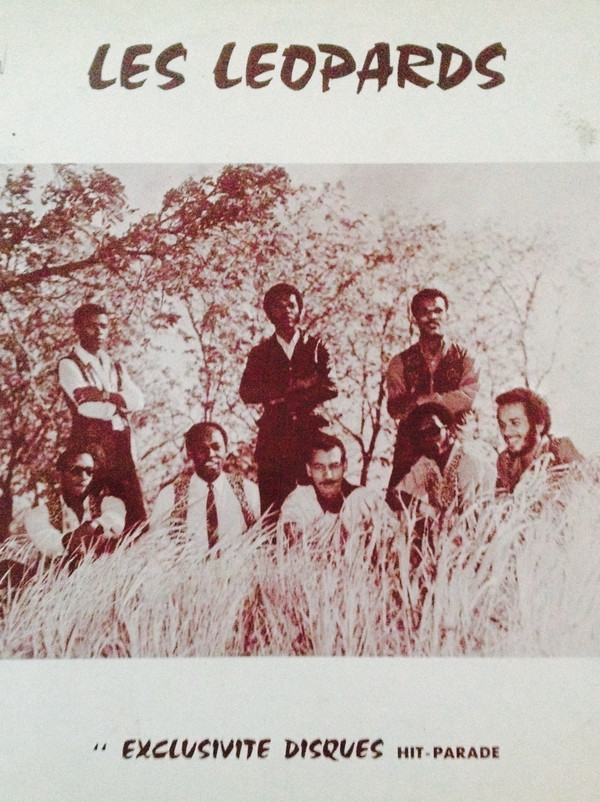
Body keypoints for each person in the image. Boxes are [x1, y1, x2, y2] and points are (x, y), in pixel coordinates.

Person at [239, 283, 338, 515]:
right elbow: (247, 392)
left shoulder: (316, 346)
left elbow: (331, 386)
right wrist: (295, 385)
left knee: (320, 503)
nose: (286, 311)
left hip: (312, 433)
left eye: (291, 306)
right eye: (279, 306)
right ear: (269, 312)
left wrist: (287, 397)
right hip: (274, 437)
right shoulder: (260, 353)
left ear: (300, 310)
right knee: (274, 508)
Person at [386, 288, 479, 506]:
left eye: (438, 311)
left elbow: (467, 397)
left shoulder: (465, 357)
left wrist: (426, 401)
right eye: (425, 312)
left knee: (466, 502)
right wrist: (417, 406)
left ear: (447, 314)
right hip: (412, 444)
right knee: (399, 503)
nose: (432, 317)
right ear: (414, 318)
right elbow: (395, 407)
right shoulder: (399, 362)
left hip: (456, 438)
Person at [58, 302, 146, 530]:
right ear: (77, 328)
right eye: (91, 326)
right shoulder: (69, 364)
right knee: (95, 516)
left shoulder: (115, 366)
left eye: (103, 326)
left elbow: (138, 400)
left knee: (134, 518)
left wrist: (104, 395)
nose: (98, 332)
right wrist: (120, 403)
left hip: (122, 450)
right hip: (88, 451)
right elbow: (88, 408)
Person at [12, 446, 126, 572]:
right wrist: (73, 539)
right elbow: (49, 544)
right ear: (58, 475)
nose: (84, 477)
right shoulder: (38, 514)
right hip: (56, 581)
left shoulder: (110, 504)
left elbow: (115, 520)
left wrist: (93, 526)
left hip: (99, 579)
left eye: (89, 471)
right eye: (76, 470)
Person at [150, 422, 260, 550]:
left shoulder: (247, 491)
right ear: (190, 453)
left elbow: (262, 539)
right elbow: (155, 546)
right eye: (202, 449)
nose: (211, 454)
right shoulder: (171, 496)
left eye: (216, 447)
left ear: (226, 449)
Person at [389, 402, 494, 521]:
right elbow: (396, 495)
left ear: (449, 429)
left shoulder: (467, 459)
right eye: (422, 435)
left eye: (433, 430)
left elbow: (470, 515)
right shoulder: (427, 464)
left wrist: (435, 516)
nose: (428, 438)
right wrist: (424, 508)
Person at [278, 433, 379, 545]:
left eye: (334, 466)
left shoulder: (363, 499)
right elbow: (291, 541)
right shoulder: (299, 500)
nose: (328, 475)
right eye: (319, 467)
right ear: (309, 470)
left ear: (345, 465)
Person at [495, 387, 582, 494]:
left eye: (515, 423)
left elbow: (589, 492)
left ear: (539, 424)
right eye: (502, 425)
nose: (506, 432)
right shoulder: (505, 461)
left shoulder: (560, 450)